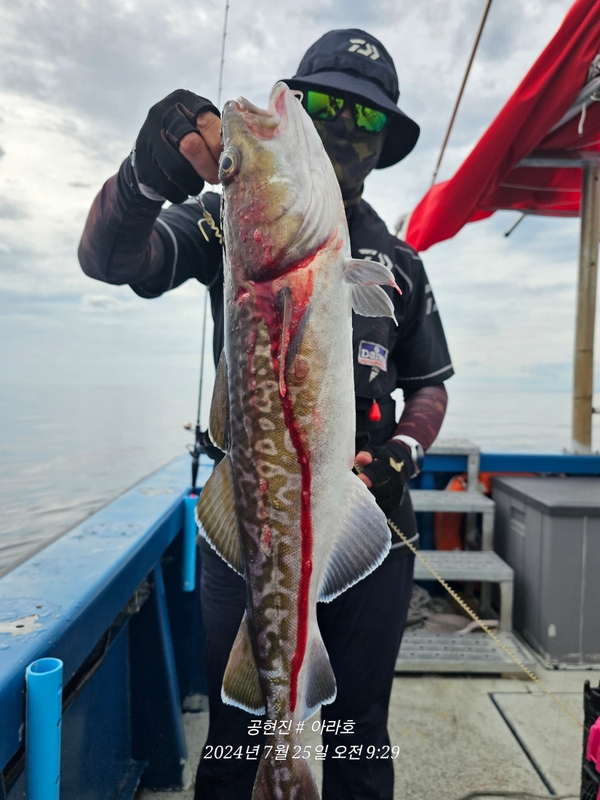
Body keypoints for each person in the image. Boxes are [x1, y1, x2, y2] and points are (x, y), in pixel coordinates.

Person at [79, 28, 453, 800]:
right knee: (234, 734)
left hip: (373, 524)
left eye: (368, 118)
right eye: (321, 105)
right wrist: (140, 185)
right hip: (249, 528)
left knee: (357, 733)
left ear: (386, 143)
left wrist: (404, 454)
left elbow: (430, 385)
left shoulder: (401, 261)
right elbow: (116, 260)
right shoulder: (227, 225)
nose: (342, 126)